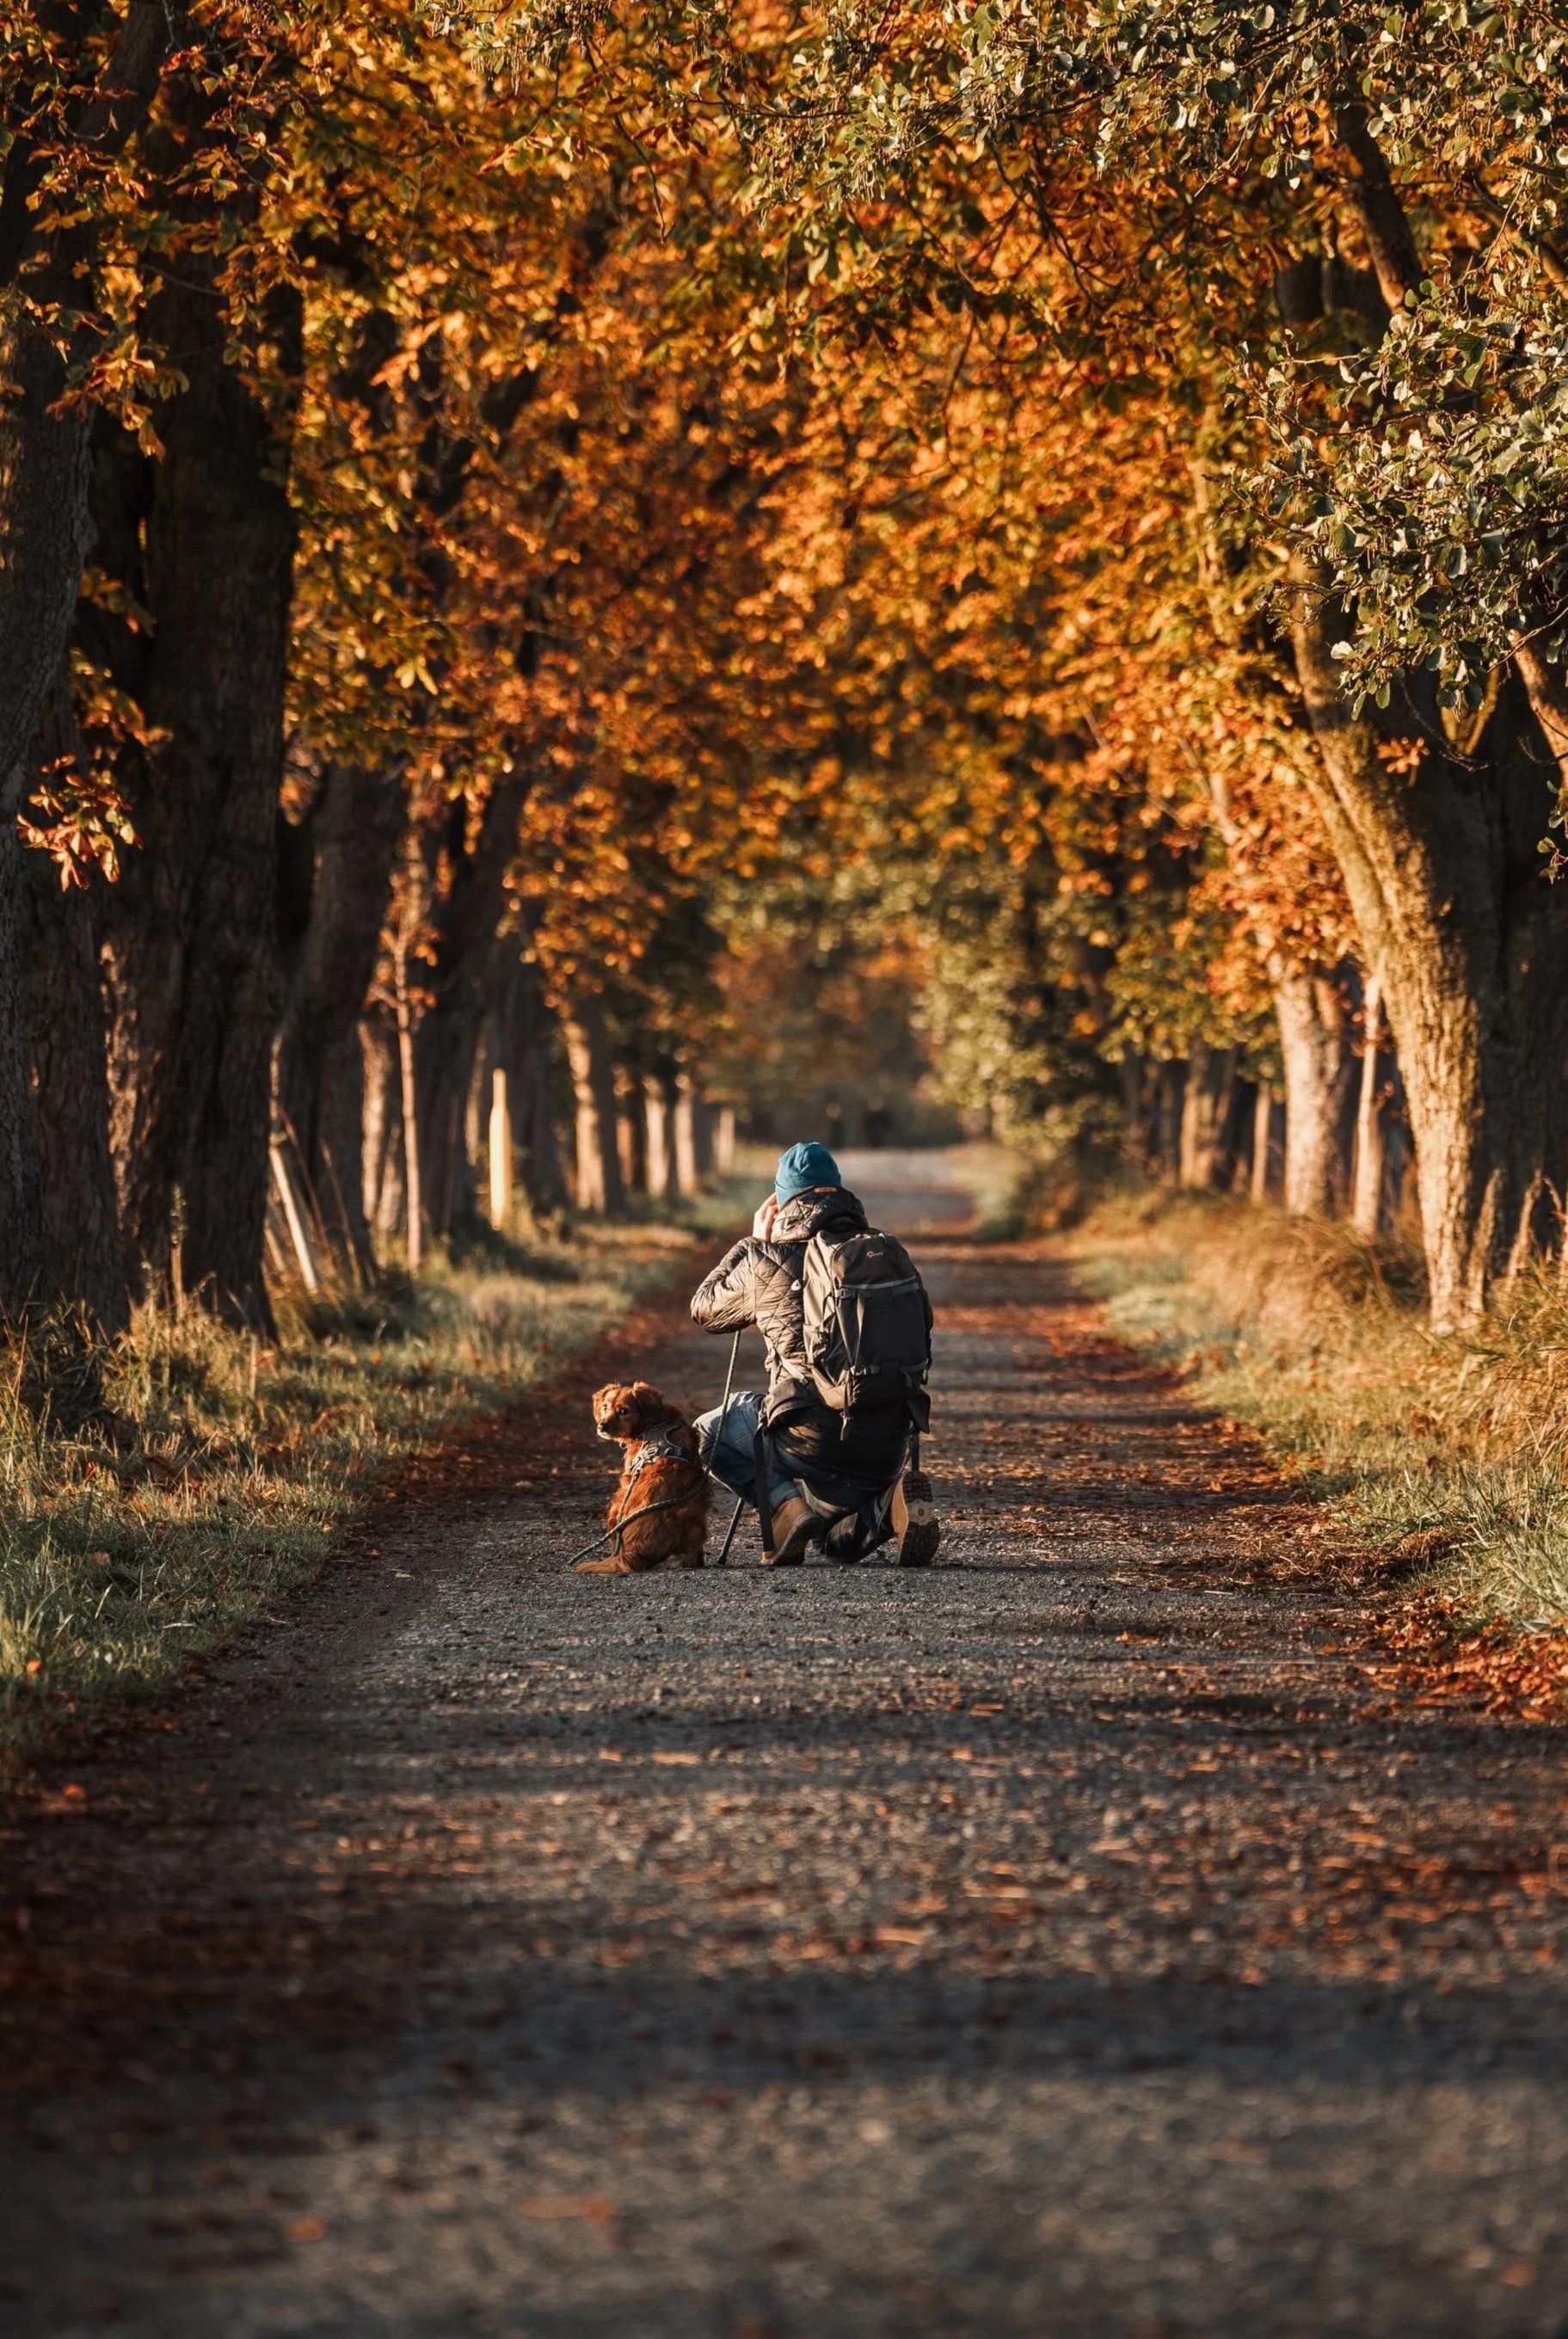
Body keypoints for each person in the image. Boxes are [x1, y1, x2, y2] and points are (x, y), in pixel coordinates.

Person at [691, 1142, 940, 1566]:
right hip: (889, 1444)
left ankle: (784, 1505)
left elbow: (704, 1307)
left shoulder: (764, 1257)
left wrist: (752, 1241)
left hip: (809, 1442)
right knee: (832, 1545)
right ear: (838, 1192)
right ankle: (888, 1505)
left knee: (705, 1432)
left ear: (781, 1201)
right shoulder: (881, 1252)